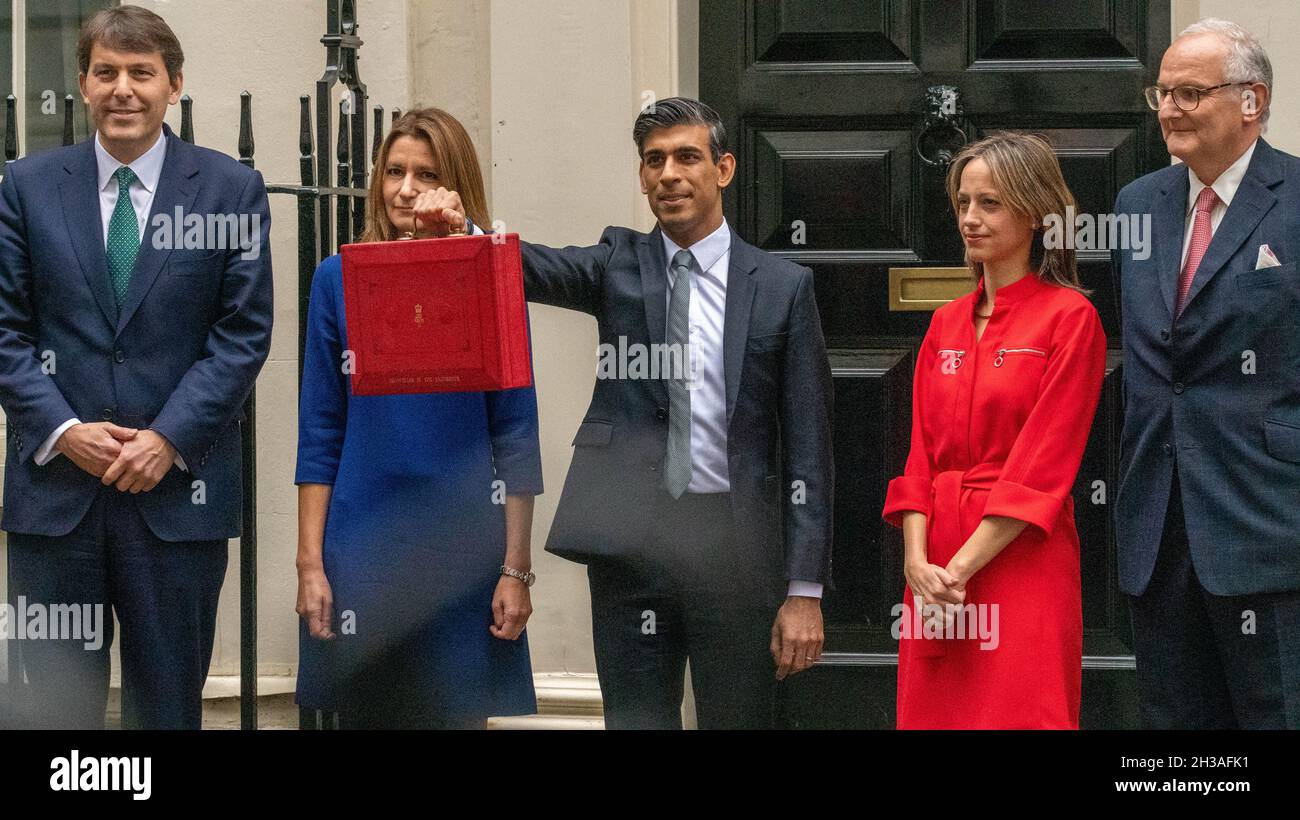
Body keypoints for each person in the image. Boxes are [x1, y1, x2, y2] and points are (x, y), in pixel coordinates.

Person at [413, 97, 833, 729]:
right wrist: (463, 229)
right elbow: (528, 266)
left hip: (736, 554)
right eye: (654, 160)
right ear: (641, 177)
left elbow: (809, 446)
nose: (669, 173)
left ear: (723, 169)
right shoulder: (617, 263)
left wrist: (804, 590)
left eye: (687, 157)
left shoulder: (780, 286)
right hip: (632, 550)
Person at [0, 5, 273, 729]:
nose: (124, 88)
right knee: (49, 713)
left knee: (169, 710)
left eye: (141, 72)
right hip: (56, 499)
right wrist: (64, 431)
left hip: (175, 502)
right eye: (106, 72)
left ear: (173, 84)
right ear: (84, 86)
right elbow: (6, 333)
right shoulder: (26, 188)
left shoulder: (228, 191)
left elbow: (242, 336)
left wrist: (168, 439)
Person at [294, 107, 542, 729]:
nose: (405, 189)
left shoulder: (491, 272)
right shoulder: (337, 279)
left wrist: (516, 569)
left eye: (426, 174)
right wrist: (309, 565)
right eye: (394, 171)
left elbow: (517, 433)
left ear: (454, 184)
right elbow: (320, 430)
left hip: (463, 548)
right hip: (361, 545)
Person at [882, 132, 1107, 729]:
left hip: (1020, 559)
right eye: (963, 202)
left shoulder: (1070, 319)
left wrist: (956, 570)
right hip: (933, 568)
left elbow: (1043, 468)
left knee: (1020, 713)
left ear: (1036, 213)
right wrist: (917, 564)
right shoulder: (945, 323)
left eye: (991, 203)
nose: (971, 219)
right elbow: (919, 459)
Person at [1112, 18, 1300, 729]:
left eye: (1190, 93)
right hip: (1158, 528)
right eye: (1161, 92)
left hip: (1270, 523)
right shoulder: (1138, 205)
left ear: (1251, 101)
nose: (1167, 109)